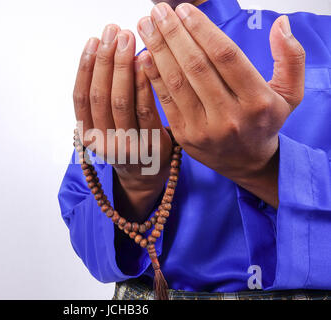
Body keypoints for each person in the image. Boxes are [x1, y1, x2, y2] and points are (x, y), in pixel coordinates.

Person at [58, 0, 331, 300]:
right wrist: (135, 184)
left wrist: (265, 168)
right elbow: (89, 243)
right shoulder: (122, 81)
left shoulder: (321, 39)